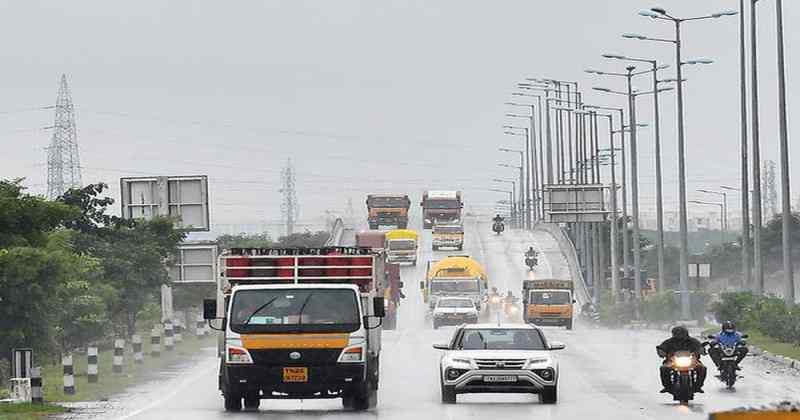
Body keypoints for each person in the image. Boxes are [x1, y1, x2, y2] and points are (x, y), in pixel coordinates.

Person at [656, 325, 707, 393]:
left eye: (682, 333)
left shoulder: (693, 341)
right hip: (672, 361)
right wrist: (661, 352)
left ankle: (698, 386)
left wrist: (701, 350)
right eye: (678, 333)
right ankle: (667, 386)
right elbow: (661, 348)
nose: (680, 335)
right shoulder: (669, 342)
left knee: (702, 368)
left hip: (692, 360)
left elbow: (699, 347)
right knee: (664, 368)